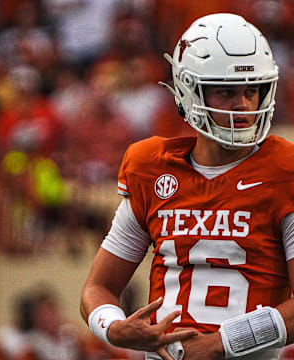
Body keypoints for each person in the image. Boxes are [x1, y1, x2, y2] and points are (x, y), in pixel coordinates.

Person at [80, 12, 294, 360]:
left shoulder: (284, 170)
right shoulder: (153, 169)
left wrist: (220, 343)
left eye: (252, 89)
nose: (243, 104)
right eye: (226, 91)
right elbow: (99, 287)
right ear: (188, 92)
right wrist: (114, 328)